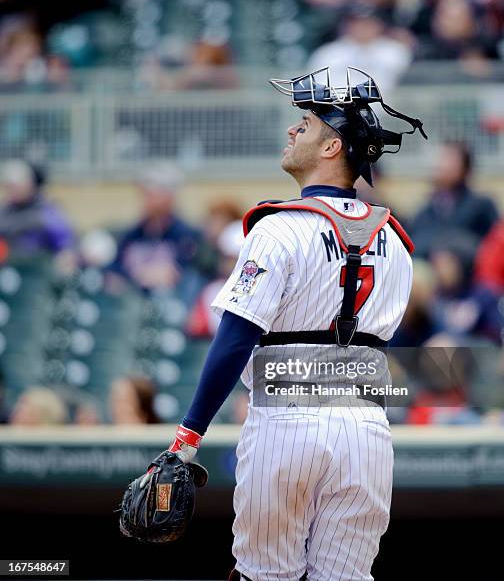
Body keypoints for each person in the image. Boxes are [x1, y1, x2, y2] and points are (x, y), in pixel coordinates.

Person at [133, 67, 426, 579]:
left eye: (307, 125)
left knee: (265, 575)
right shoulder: (398, 240)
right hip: (366, 430)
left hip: (286, 421)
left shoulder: (280, 228)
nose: (293, 130)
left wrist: (187, 438)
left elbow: (237, 335)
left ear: (333, 148)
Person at [109, 164, 214, 301]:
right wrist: (138, 274)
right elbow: (114, 269)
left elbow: (188, 272)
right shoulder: (132, 234)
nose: (146, 199)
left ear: (169, 197)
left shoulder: (187, 235)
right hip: (132, 306)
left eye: (151, 193)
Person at [410, 141, 499, 258]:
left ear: (465, 168)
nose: (442, 165)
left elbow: (494, 246)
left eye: (450, 159)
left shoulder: (481, 206)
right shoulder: (427, 211)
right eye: (442, 159)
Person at [307, 1, 412, 94]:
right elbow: (318, 91)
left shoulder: (396, 52)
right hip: (338, 112)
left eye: (368, 22)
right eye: (355, 22)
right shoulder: (328, 54)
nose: (361, 27)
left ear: (380, 24)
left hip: (385, 113)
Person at [0, 159, 75, 264]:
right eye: (8, 186)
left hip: (39, 272)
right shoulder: (4, 212)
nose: (11, 190)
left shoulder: (47, 213)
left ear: (30, 185)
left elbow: (66, 246)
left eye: (14, 186)